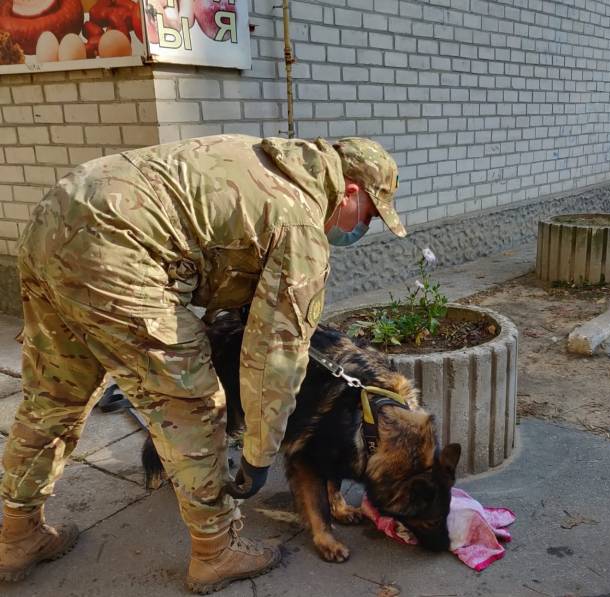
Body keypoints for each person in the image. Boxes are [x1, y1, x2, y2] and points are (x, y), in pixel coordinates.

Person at [0, 134, 405, 593]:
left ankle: (18, 534)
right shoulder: (300, 223)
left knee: (55, 394)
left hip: (56, 215)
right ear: (350, 190)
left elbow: (215, 254)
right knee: (190, 403)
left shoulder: (270, 163)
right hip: (118, 248)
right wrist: (257, 456)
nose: (361, 229)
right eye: (369, 216)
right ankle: (216, 551)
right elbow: (276, 358)